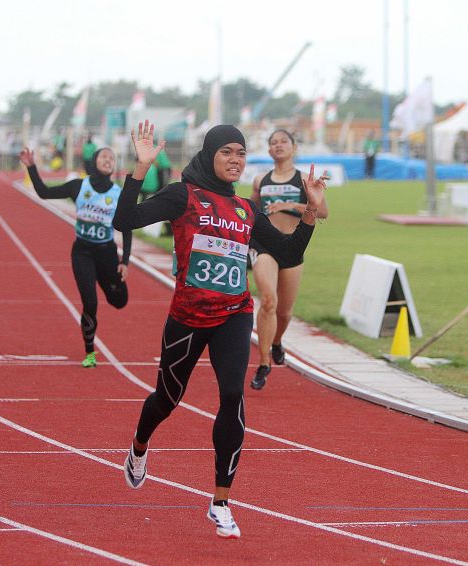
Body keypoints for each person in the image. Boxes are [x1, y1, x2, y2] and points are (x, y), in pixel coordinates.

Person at [113, 121, 328, 539]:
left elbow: (286, 252)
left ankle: (221, 502)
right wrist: (140, 169)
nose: (236, 160)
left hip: (234, 314)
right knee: (168, 398)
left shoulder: (246, 210)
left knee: (233, 395)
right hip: (188, 317)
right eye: (228, 152)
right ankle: (139, 446)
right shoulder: (183, 195)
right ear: (210, 154)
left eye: (242, 153)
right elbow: (126, 219)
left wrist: (310, 212)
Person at [19, 145, 131, 368]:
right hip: (83, 253)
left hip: (107, 254)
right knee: (90, 303)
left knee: (120, 301)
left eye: (112, 157)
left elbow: (127, 228)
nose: (108, 160)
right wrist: (32, 167)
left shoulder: (119, 194)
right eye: (104, 156)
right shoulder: (79, 186)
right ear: (95, 161)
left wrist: (124, 261)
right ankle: (90, 352)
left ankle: (103, 279)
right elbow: (43, 192)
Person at [248, 130, 329, 390]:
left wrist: (290, 206)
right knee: (268, 301)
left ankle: (276, 342)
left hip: (292, 247)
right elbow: (250, 213)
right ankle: (263, 364)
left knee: (284, 311)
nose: (278, 145)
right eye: (273, 142)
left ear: (294, 147)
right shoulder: (260, 180)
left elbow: (323, 213)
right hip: (264, 247)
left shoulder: (305, 179)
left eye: (283, 141)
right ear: (269, 150)